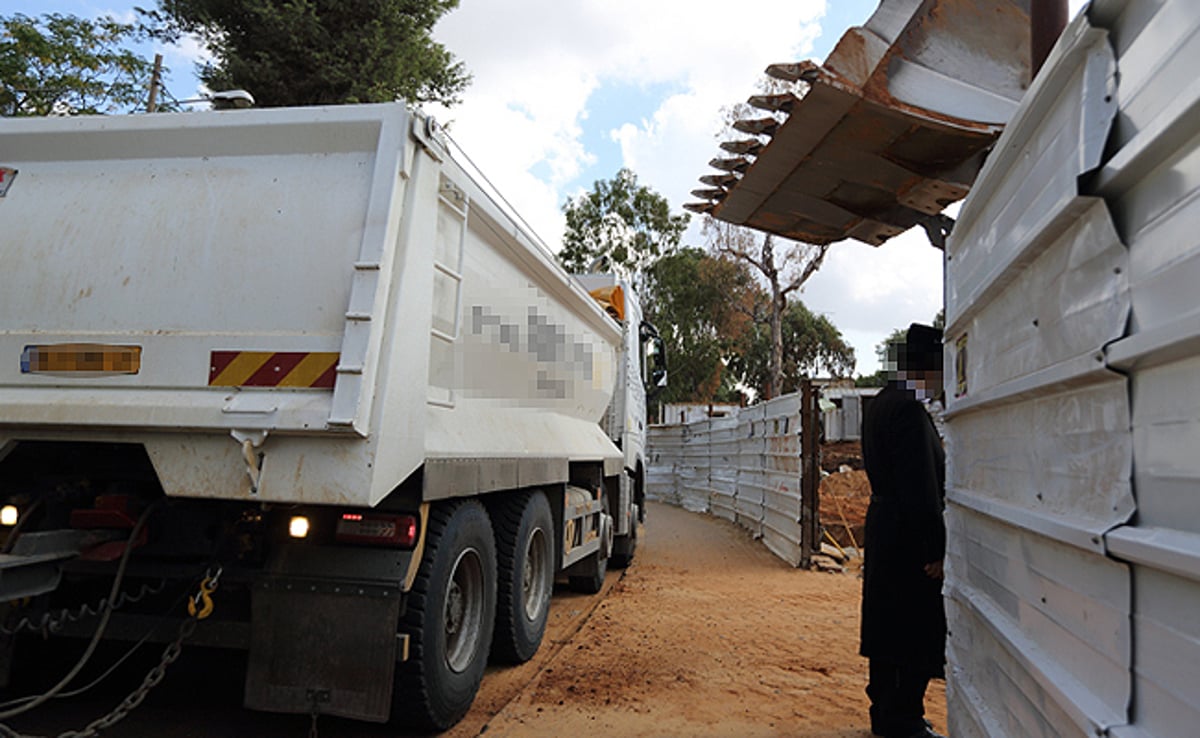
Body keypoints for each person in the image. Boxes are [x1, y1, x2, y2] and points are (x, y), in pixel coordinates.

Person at [859, 323, 947, 738]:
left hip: (885, 526)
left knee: (885, 624)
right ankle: (904, 718)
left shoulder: (881, 402)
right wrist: (934, 547)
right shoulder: (909, 409)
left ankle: (887, 712)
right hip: (908, 535)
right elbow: (921, 485)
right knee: (911, 626)